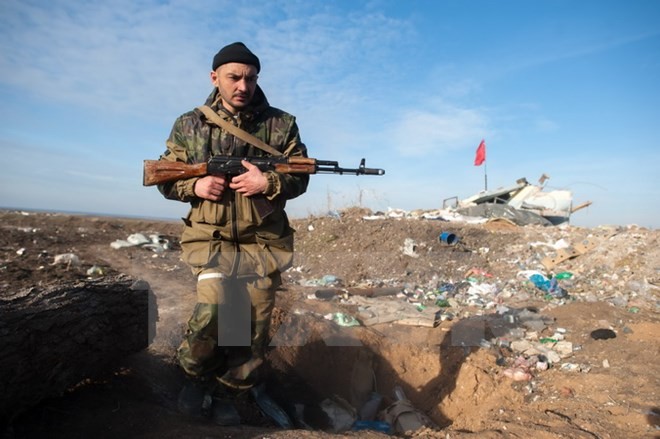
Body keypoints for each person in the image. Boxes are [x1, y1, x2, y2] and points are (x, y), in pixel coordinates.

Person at [156, 42, 309, 425]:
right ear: (215, 78)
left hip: (264, 242)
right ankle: (196, 380)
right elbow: (165, 176)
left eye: (251, 78)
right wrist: (196, 187)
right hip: (211, 239)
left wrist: (268, 181)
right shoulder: (190, 124)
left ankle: (229, 392)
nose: (243, 85)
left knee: (252, 327)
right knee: (214, 309)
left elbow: (301, 174)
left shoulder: (281, 124)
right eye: (234, 77)